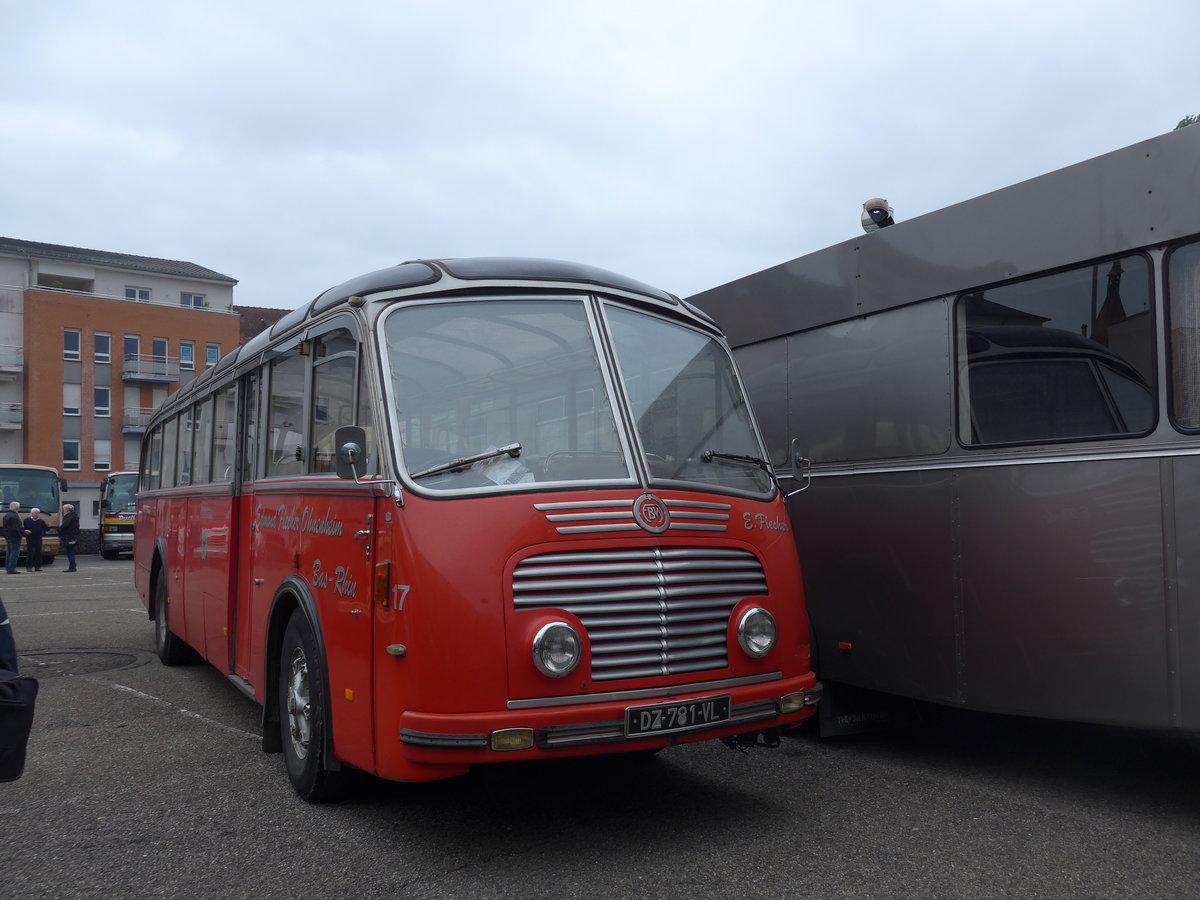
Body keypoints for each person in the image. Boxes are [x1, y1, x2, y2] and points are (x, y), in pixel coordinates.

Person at [22, 509, 47, 573]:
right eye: (36, 513)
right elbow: (23, 529)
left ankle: (37, 566)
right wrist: (25, 532)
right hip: (30, 539)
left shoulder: (41, 521)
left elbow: (46, 528)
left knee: (38, 552)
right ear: (32, 514)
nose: (37, 514)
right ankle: (29, 567)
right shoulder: (26, 520)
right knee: (30, 553)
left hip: (38, 539)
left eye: (38, 513)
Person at [3, 501, 22, 575]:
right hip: (14, 537)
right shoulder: (15, 516)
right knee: (14, 553)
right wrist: (20, 535)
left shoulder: (6, 515)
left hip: (8, 536)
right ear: (17, 508)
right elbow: (15, 528)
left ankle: (8, 568)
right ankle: (12, 569)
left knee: (9, 553)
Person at [60, 503, 79, 572]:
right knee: (71, 551)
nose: (63, 511)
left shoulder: (68, 517)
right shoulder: (75, 516)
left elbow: (65, 525)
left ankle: (72, 567)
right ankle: (73, 566)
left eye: (64, 509)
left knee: (70, 551)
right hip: (74, 536)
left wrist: (59, 529)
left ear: (67, 510)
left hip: (69, 536)